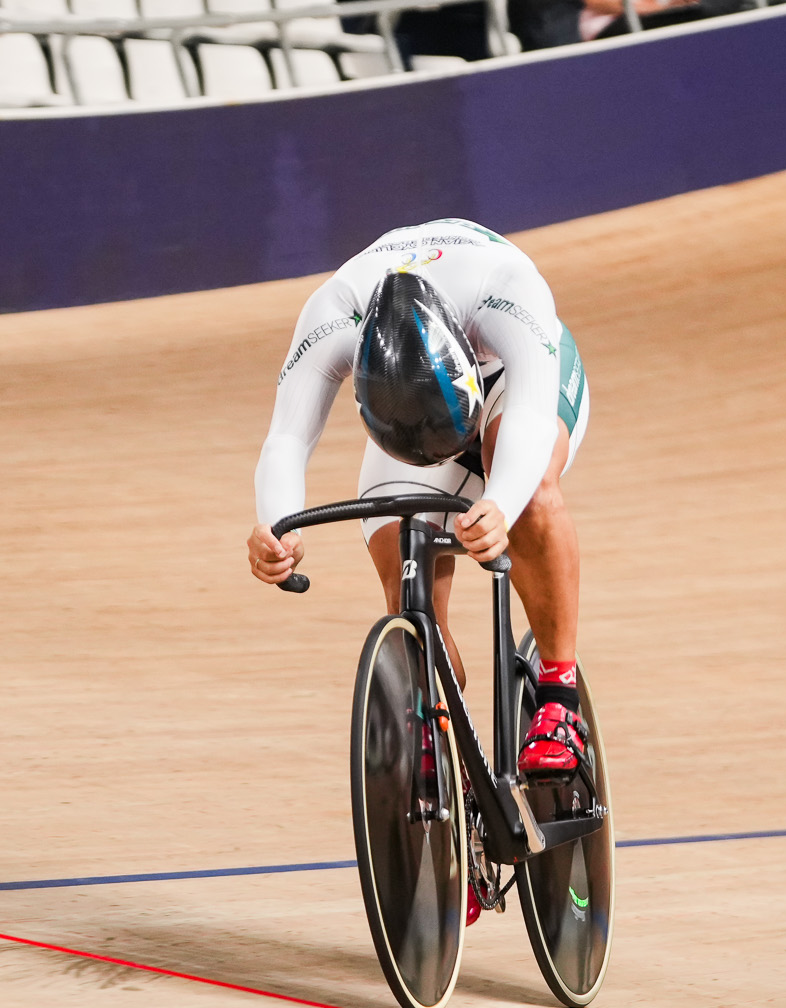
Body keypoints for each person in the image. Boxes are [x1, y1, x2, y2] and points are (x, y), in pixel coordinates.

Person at [246, 217, 592, 782]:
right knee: (401, 565)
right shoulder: (334, 314)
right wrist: (275, 527)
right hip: (407, 419)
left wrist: (501, 501)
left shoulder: (504, 287)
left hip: (511, 377)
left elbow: (529, 413)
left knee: (527, 491)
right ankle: (436, 719)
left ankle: (559, 694)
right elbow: (286, 436)